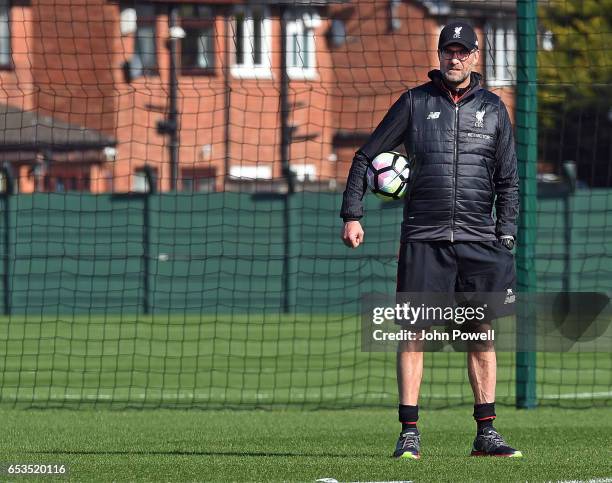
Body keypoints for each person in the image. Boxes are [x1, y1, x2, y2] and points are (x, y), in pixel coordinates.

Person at [339, 21, 521, 459]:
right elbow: (366, 157)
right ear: (439, 56)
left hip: (480, 242)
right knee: (414, 334)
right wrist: (352, 213)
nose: (454, 58)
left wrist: (507, 232)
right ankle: (409, 433)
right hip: (424, 238)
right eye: (447, 51)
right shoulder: (414, 103)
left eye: (462, 52)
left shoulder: (495, 109)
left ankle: (486, 433)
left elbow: (509, 181)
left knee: (480, 333)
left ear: (476, 57)